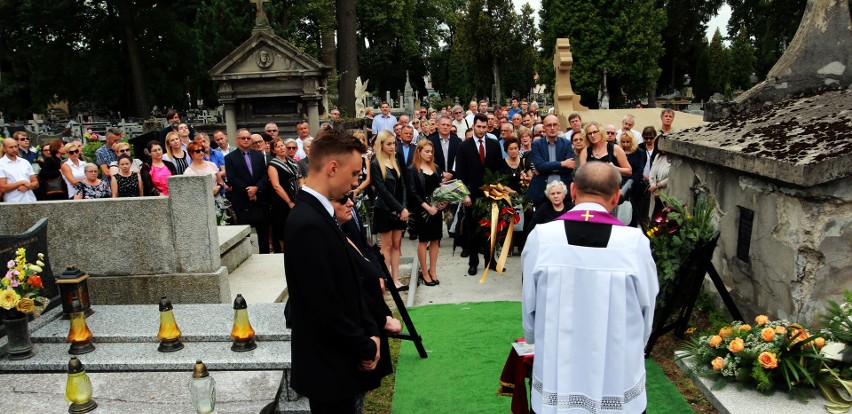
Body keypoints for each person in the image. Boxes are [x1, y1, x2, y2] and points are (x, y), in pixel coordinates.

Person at [522, 162, 658, 414]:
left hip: (556, 369)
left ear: (572, 191)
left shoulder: (541, 237)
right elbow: (647, 307)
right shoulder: (634, 243)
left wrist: (532, 338)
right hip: (616, 370)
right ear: (617, 196)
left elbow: (529, 303)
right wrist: (637, 345)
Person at [284, 127, 381, 413]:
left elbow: (348, 281)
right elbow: (323, 304)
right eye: (353, 175)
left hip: (338, 360)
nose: (354, 183)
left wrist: (371, 330)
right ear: (332, 167)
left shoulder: (319, 214)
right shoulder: (307, 223)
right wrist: (364, 345)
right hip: (328, 364)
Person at [455, 113, 504, 275]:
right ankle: (473, 262)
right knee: (473, 230)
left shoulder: (494, 144)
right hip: (472, 195)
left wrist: (499, 190)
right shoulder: (464, 147)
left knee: (491, 229)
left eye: (484, 127)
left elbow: (499, 170)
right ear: (473, 126)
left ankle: (491, 260)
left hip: (491, 195)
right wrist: (464, 195)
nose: (482, 130)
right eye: (479, 127)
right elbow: (460, 174)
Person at [370, 131, 409, 290]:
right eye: (389, 144)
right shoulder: (375, 164)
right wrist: (400, 208)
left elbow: (403, 186)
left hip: (400, 209)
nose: (393, 146)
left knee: (397, 245)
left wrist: (404, 207)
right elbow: (382, 191)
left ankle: (395, 278)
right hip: (385, 210)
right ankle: (386, 281)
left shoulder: (396, 160)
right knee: (385, 246)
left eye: (394, 143)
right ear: (381, 145)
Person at [225, 129, 270, 254]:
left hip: (259, 200)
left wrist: (256, 189)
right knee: (245, 233)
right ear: (237, 140)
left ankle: (265, 256)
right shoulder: (230, 158)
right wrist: (248, 191)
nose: (246, 140)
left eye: (248, 138)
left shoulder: (259, 156)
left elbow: (264, 176)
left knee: (263, 233)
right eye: (243, 138)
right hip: (242, 201)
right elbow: (232, 178)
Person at [408, 140, 446, 286]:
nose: (430, 154)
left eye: (431, 152)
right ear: (419, 152)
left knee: (436, 239)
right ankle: (424, 273)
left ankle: (433, 271)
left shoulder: (436, 167)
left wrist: (443, 202)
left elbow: (441, 188)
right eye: (427, 151)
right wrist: (427, 207)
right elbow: (413, 192)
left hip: (436, 209)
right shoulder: (412, 169)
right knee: (424, 241)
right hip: (422, 210)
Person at [526, 114, 575, 208]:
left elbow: (569, 168)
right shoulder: (536, 144)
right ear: (544, 127)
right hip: (541, 191)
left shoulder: (566, 144)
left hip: (563, 192)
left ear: (559, 126)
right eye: (549, 125)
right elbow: (539, 166)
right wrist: (562, 164)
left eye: (555, 125)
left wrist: (546, 167)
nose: (552, 128)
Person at [267, 138, 302, 253]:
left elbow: (299, 178)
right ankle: (284, 251)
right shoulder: (273, 165)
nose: (281, 148)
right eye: (278, 146)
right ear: (273, 150)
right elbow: (276, 186)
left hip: (295, 197)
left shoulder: (291, 162)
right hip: (282, 200)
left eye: (282, 145)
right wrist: (289, 202)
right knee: (282, 226)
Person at [619, 131, 648, 227]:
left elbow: (640, 170)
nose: (625, 144)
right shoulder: (618, 151)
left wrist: (630, 181)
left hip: (634, 186)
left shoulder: (639, 152)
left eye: (628, 142)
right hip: (619, 184)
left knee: (633, 211)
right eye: (623, 142)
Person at [0, 138, 39, 202]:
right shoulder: (1, 164)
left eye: (16, 146)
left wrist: (28, 186)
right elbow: (3, 188)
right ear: (4, 149)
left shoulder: (25, 162)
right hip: (13, 202)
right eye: (11, 147)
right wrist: (21, 182)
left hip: (30, 200)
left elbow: (36, 183)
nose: (14, 149)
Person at [648, 144, 671, 219]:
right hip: (654, 191)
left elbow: (671, 177)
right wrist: (652, 185)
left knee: (664, 216)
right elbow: (652, 172)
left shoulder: (673, 159)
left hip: (665, 192)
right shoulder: (658, 156)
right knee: (653, 217)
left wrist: (657, 186)